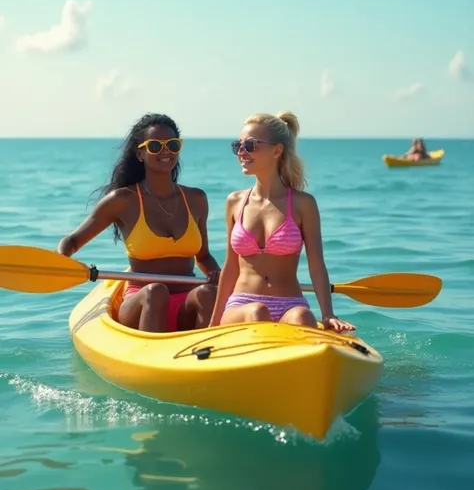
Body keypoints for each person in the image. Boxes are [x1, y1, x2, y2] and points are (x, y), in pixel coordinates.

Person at [57, 113, 220, 332]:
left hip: (186, 303)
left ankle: (206, 358)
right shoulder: (123, 200)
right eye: (155, 145)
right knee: (156, 291)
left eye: (172, 145)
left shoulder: (196, 199)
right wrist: (61, 260)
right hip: (143, 302)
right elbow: (73, 240)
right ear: (140, 153)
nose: (165, 151)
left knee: (208, 294)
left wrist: (218, 275)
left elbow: (204, 257)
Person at [208, 111, 355, 333]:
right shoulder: (235, 202)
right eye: (237, 145)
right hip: (242, 306)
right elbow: (230, 266)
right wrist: (214, 322)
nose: (241, 152)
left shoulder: (303, 204)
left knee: (303, 316)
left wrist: (328, 315)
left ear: (277, 150)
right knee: (257, 312)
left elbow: (316, 265)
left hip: (290, 304)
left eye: (250, 145)